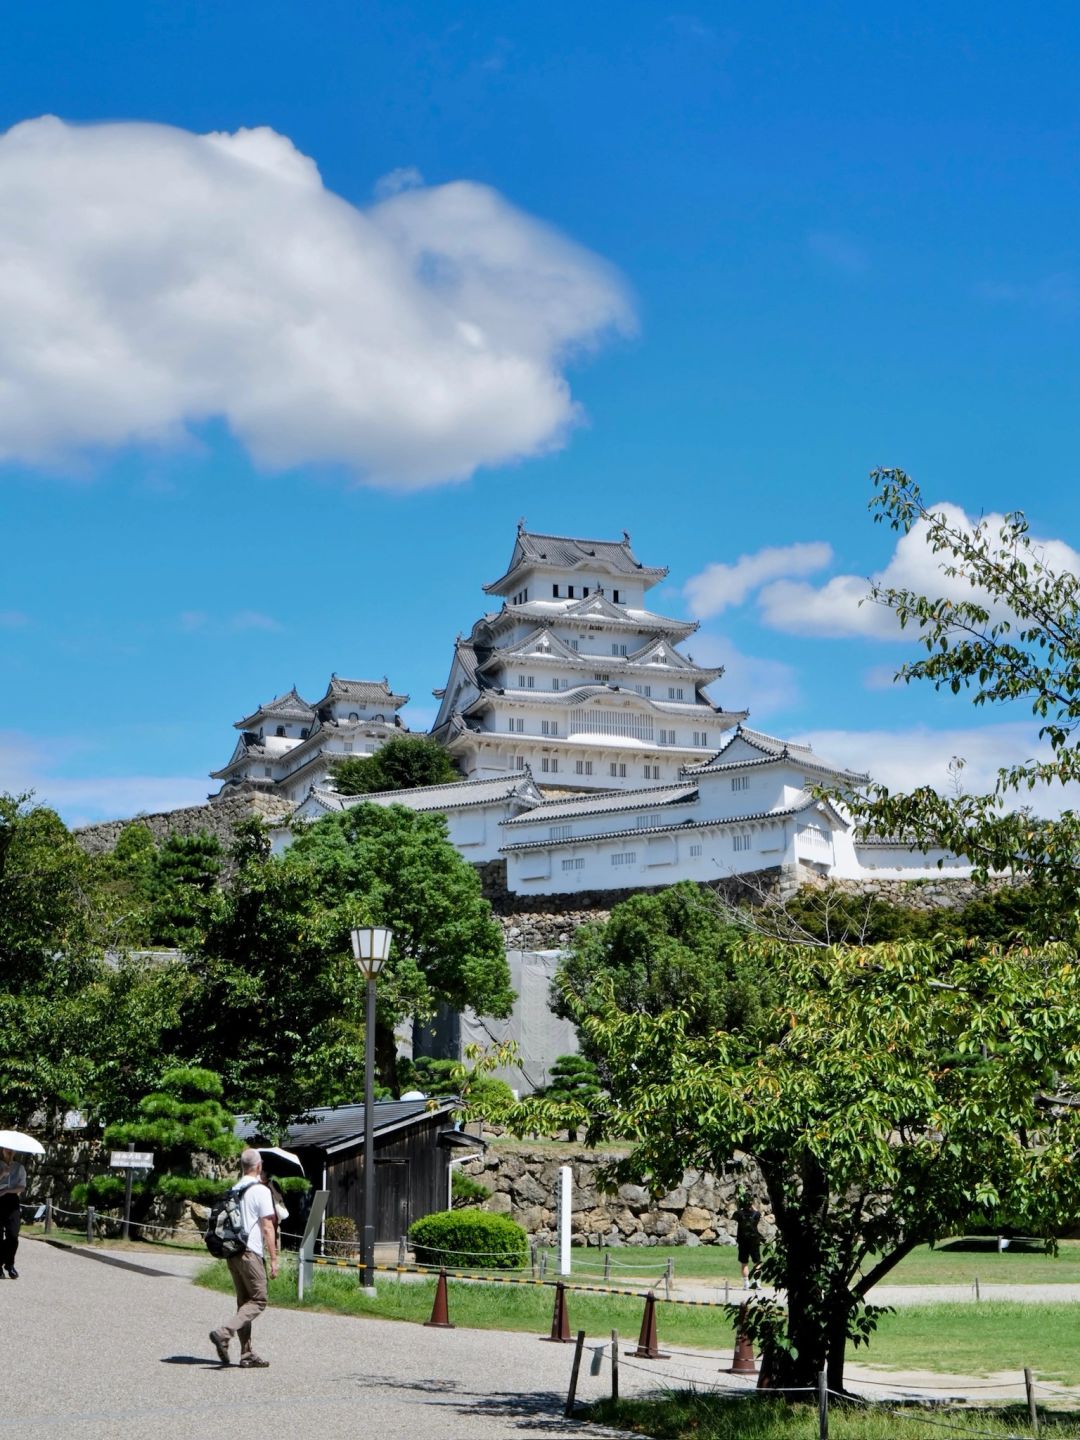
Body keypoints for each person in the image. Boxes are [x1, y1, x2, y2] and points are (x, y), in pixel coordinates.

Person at [209, 1148, 279, 1368]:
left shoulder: (234, 1188)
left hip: (233, 1252)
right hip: (250, 1252)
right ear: (258, 1166)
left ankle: (246, 1354)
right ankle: (224, 1332)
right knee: (259, 1300)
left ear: (242, 1166)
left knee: (244, 1304)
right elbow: (268, 1227)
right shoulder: (260, 1190)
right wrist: (274, 1259)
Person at [0, 1147, 26, 1279]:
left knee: (13, 1236)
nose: (10, 1152)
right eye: (7, 1149)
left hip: (11, 1201)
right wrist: (2, 1175)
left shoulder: (19, 1167)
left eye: (12, 1150)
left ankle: (8, 1264)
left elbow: (22, 1186)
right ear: (2, 1150)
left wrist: (7, 1191)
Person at [733, 1191, 762, 1288]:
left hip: (743, 1241)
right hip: (754, 1241)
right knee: (757, 1262)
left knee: (744, 1263)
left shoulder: (739, 1214)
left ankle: (746, 1283)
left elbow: (735, 1215)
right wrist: (753, 1206)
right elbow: (758, 1212)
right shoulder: (756, 1214)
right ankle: (757, 1282)